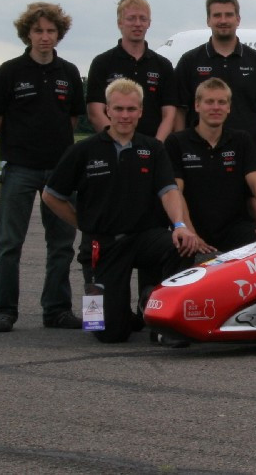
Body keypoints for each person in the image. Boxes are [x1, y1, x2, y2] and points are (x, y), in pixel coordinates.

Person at [43, 79, 203, 343]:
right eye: (119, 109)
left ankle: (163, 312)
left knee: (182, 245)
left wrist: (179, 225)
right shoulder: (83, 150)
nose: (125, 115)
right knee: (104, 331)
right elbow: (51, 195)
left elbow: (169, 190)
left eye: (131, 109)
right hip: (102, 245)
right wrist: (84, 223)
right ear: (107, 110)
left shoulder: (152, 149)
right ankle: (128, 315)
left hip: (145, 238)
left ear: (141, 111)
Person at [0, 2, 86, 333]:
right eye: (38, 31)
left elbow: (72, 118)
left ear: (59, 34)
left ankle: (56, 309)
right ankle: (4, 310)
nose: (45, 37)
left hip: (59, 170)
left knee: (61, 244)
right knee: (9, 243)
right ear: (27, 34)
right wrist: (19, 146)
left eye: (51, 31)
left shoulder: (69, 72)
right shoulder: (10, 71)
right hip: (19, 168)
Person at [166, 78, 256, 254]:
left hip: (236, 230)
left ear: (229, 107)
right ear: (197, 105)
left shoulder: (241, 140)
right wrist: (190, 232)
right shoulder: (177, 142)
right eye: (209, 102)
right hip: (195, 229)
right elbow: (176, 191)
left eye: (222, 102)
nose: (216, 107)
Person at [174, 0, 256, 143]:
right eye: (217, 15)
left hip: (248, 152)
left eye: (229, 15)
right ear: (208, 20)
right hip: (200, 151)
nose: (223, 20)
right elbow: (180, 109)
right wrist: (181, 145)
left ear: (238, 19)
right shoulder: (190, 61)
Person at [86, 0, 177, 141]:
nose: (137, 23)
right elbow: (96, 112)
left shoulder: (163, 66)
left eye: (143, 18)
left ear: (149, 23)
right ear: (120, 23)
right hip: (113, 150)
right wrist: (117, 143)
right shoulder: (102, 63)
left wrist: (156, 146)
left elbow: (169, 114)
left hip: (152, 151)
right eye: (131, 18)